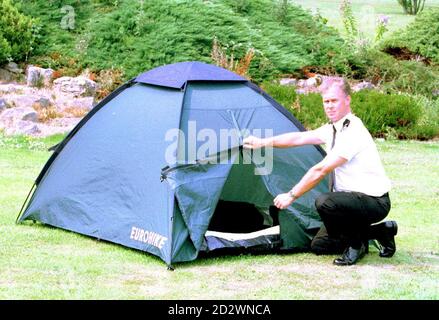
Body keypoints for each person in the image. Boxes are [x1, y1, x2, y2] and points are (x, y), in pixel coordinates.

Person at [243, 77, 397, 266]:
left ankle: (355, 246)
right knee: (320, 245)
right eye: (326, 101)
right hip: (348, 202)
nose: (329, 106)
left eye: (334, 101)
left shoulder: (353, 130)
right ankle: (381, 232)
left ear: (347, 100)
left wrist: (291, 195)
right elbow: (298, 138)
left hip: (374, 202)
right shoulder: (332, 129)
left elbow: (321, 169)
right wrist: (263, 142)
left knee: (325, 202)